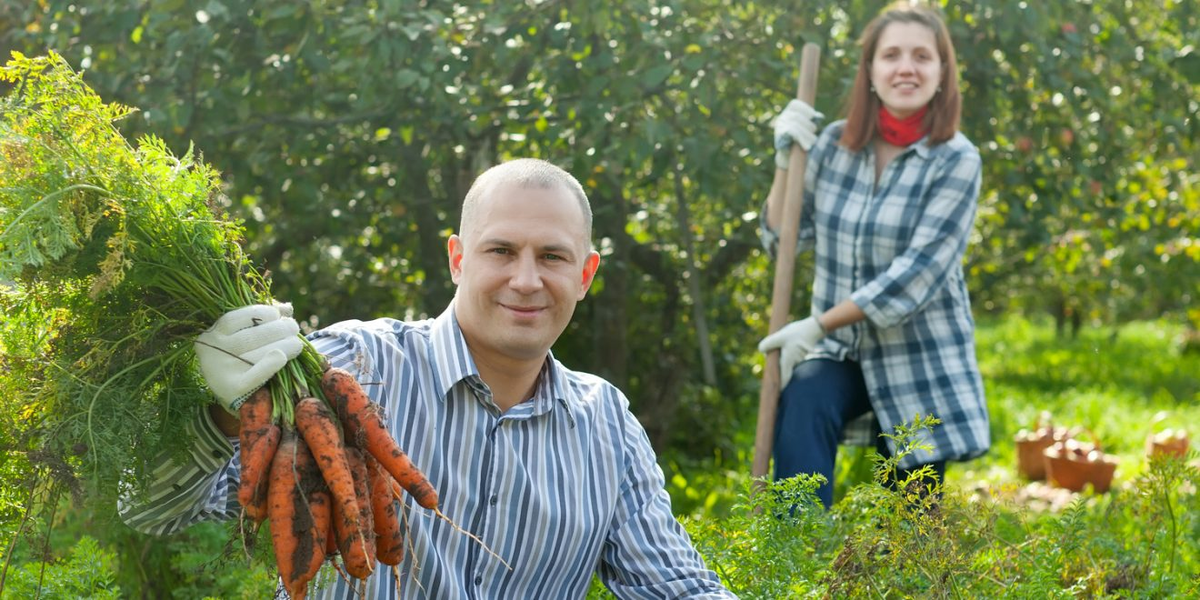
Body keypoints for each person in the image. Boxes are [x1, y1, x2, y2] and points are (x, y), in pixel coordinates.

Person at [120, 159, 735, 599]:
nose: (526, 279)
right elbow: (151, 512)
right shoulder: (348, 366)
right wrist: (220, 415)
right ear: (458, 258)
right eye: (500, 251)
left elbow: (675, 586)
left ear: (586, 274)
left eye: (552, 256)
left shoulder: (606, 424)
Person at [757, 2, 989, 509]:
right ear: (870, 71)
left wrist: (816, 325)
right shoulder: (833, 146)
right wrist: (783, 162)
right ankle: (791, 560)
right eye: (892, 55)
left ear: (942, 73)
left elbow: (916, 276)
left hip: (919, 360)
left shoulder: (956, 160)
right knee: (805, 395)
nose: (906, 67)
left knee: (907, 535)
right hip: (842, 354)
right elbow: (784, 242)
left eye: (922, 56)